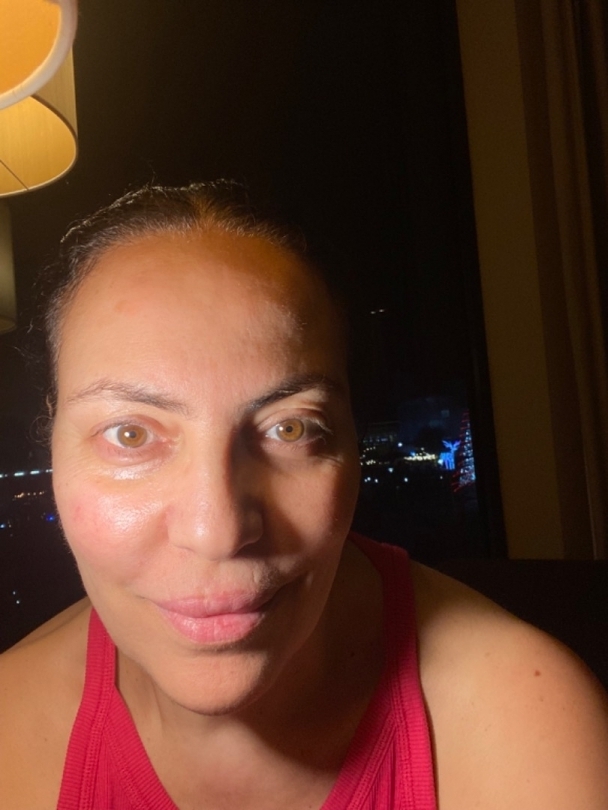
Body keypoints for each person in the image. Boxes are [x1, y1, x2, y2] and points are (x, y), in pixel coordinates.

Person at [0, 181, 607, 810]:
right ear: (51, 441)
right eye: (130, 434)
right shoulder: (10, 734)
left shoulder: (526, 729)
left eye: (290, 429)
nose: (218, 531)